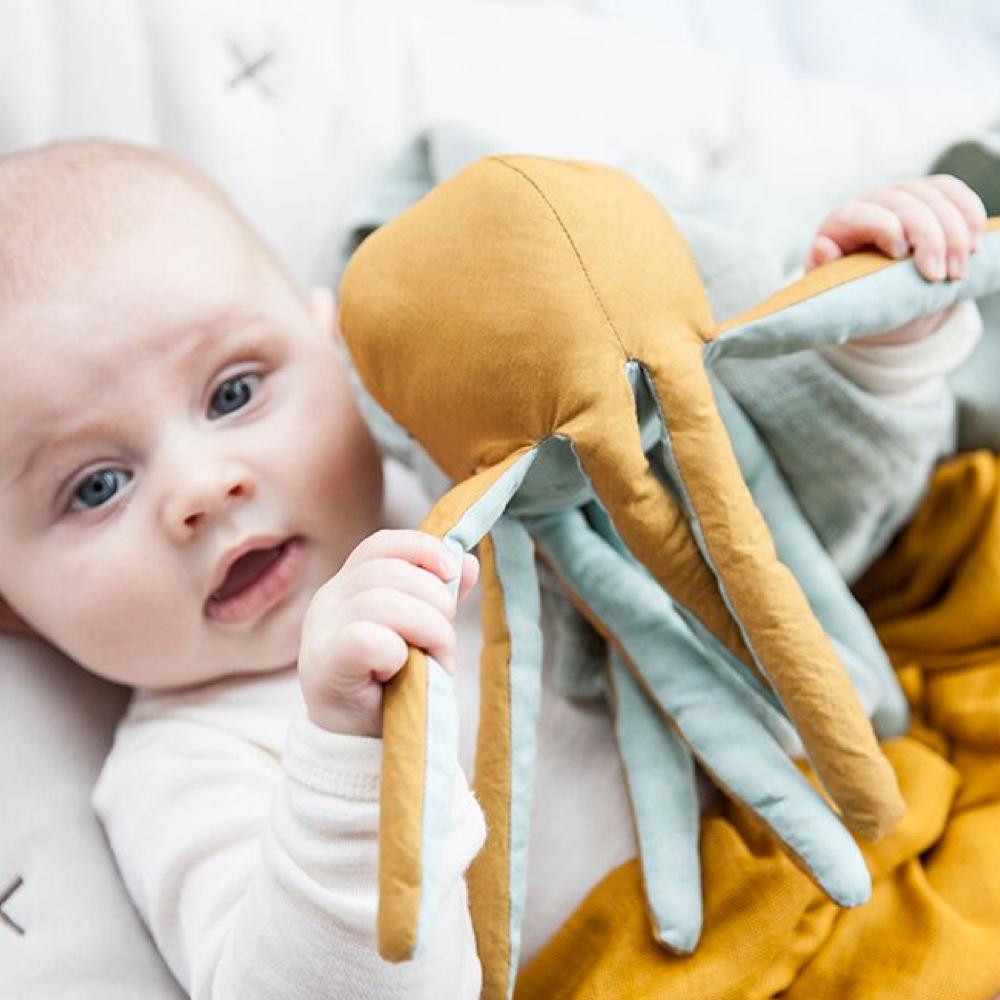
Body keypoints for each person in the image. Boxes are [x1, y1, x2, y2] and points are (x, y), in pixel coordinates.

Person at [0, 139, 985, 999]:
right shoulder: (184, 766)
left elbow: (775, 539)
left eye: (234, 391)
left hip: (863, 823)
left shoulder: (461, 452)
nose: (204, 487)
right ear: (16, 612)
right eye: (95, 487)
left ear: (330, 340)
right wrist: (346, 762)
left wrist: (873, 340)